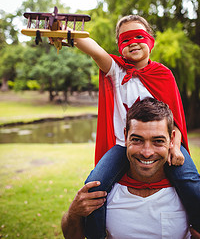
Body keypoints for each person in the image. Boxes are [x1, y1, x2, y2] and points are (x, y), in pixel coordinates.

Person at [72, 15, 200, 238]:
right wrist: (67, 34)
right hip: (124, 146)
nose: (132, 42)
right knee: (94, 186)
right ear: (120, 47)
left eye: (138, 36)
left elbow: (176, 123)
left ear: (150, 40)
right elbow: (95, 50)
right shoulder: (115, 71)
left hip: (164, 143)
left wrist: (176, 148)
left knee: (191, 182)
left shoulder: (164, 75)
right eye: (125, 39)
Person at [61, 98, 200, 239]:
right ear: (125, 136)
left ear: (172, 139)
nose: (147, 152)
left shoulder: (188, 194)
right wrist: (74, 213)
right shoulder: (103, 192)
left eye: (158, 141)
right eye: (137, 140)